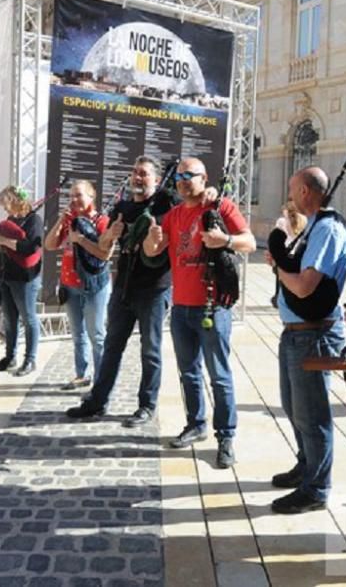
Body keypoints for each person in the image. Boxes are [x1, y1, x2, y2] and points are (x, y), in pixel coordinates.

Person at [143, 157, 256, 469]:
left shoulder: (220, 208)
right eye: (178, 176)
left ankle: (226, 436)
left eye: (188, 175)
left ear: (204, 178)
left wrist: (226, 240)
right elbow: (154, 250)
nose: (182, 180)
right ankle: (196, 424)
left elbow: (250, 242)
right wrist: (151, 242)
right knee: (189, 372)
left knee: (219, 376)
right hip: (181, 308)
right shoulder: (173, 215)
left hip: (212, 306)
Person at [65, 156, 177, 428]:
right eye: (135, 173)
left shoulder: (166, 203)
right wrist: (111, 233)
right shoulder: (122, 207)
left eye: (144, 174)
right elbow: (104, 248)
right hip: (124, 288)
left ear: (156, 178)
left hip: (154, 289)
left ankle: (146, 406)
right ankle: (97, 401)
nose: (138, 178)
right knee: (112, 346)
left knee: (150, 350)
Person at [266, 167, 346, 514]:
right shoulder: (315, 226)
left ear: (304, 191)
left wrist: (276, 268)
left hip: (315, 335)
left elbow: (303, 285)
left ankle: (317, 488)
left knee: (312, 414)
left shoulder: (327, 229)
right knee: (293, 407)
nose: (289, 196)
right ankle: (307, 466)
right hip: (297, 332)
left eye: (290, 188)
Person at [45, 180, 112, 390]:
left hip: (94, 286)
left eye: (79, 195)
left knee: (97, 335)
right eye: (71, 195)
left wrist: (80, 240)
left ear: (91, 197)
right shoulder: (69, 221)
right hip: (70, 285)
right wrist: (59, 222)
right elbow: (49, 245)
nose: (74, 200)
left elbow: (105, 254)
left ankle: (101, 381)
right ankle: (81, 374)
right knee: (78, 334)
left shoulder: (102, 221)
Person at [0, 186, 42, 376]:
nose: (5, 210)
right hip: (4, 273)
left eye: (6, 205)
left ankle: (30, 359)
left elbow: (30, 247)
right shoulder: (10, 220)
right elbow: (7, 248)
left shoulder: (34, 220)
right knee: (9, 319)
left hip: (25, 277)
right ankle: (10, 357)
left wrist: (3, 240)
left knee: (28, 318)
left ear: (16, 201)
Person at [270, 199, 307, 308]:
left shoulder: (282, 221)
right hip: (296, 254)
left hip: (285, 252)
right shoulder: (305, 220)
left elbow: (277, 236)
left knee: (281, 276)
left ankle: (280, 297)